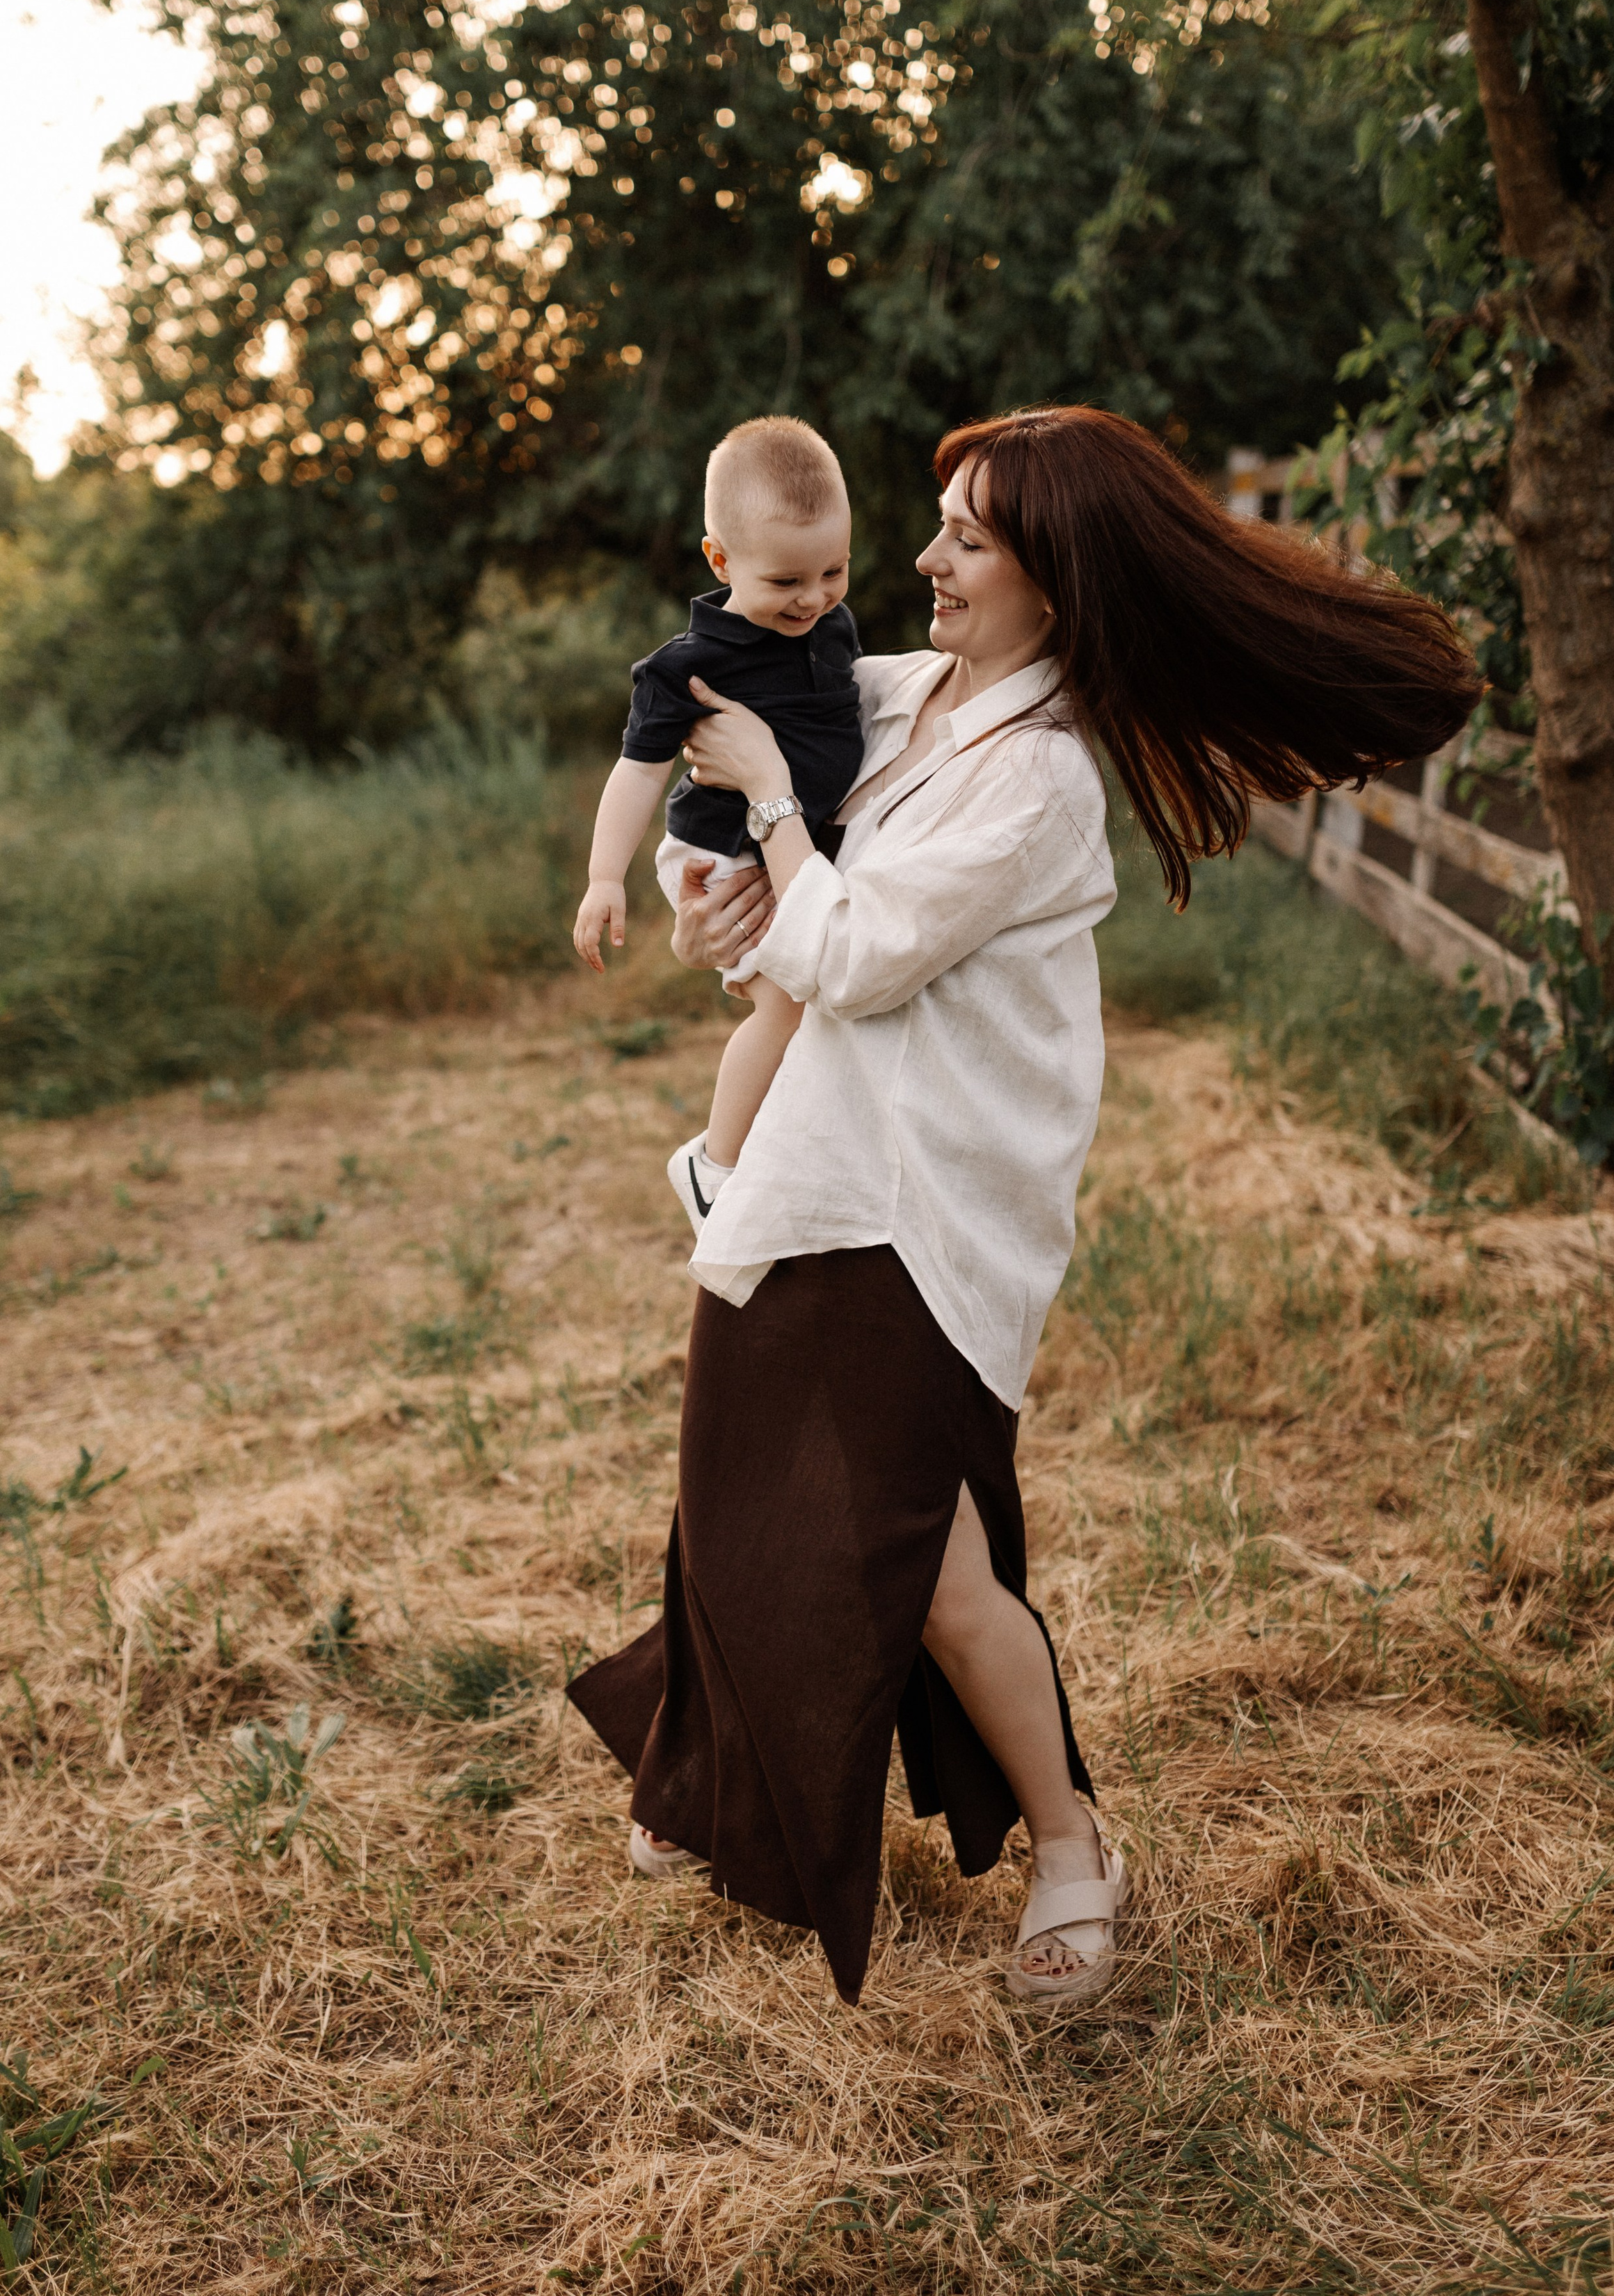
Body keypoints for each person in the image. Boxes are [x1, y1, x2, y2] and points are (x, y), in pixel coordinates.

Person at [568, 403, 1481, 2011]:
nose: (921, 559)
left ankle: (1069, 1845)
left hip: (924, 1211)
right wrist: (701, 880)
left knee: (926, 1563)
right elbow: (729, 809)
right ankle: (706, 1786)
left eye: (966, 537)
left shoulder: (1042, 779)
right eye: (931, 525)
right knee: (731, 1491)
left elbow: (845, 942)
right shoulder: (903, 692)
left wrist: (777, 820)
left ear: (1052, 573)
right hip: (810, 1169)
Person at [572, 416, 866, 1231]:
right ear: (721, 561)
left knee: (823, 997)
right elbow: (637, 773)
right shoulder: (686, 668)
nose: (812, 599)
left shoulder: (832, 625)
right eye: (785, 583)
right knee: (790, 1005)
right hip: (723, 847)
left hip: (801, 841)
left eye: (833, 570)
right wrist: (605, 878)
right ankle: (717, 1165)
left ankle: (786, 1148)